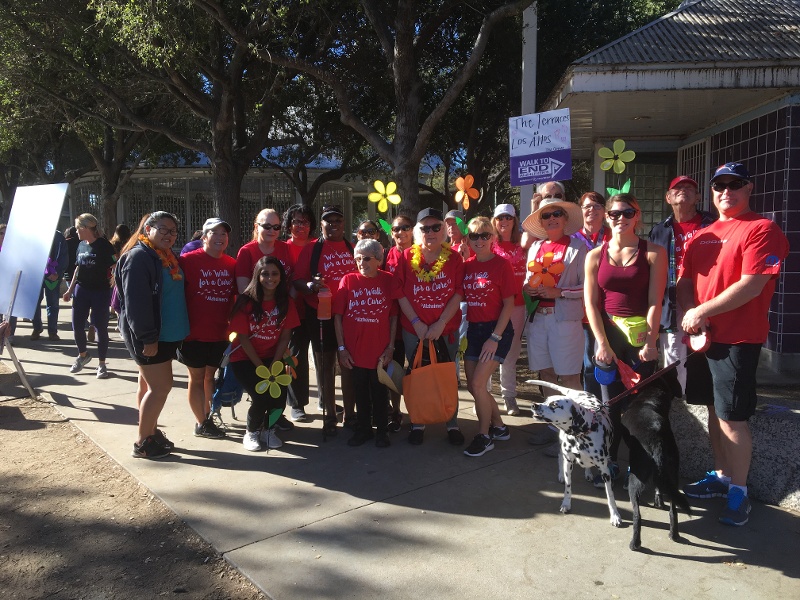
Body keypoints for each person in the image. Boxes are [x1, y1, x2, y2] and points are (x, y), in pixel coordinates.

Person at [678, 163, 789, 527]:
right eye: (719, 185)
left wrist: (702, 311)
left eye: (734, 184)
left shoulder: (762, 229)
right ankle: (721, 477)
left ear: (749, 187)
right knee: (712, 409)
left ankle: (739, 493)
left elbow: (753, 284)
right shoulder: (702, 234)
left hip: (737, 341)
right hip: (702, 339)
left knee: (732, 418)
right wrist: (690, 317)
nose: (726, 191)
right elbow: (683, 283)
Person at [585, 194, 667, 486]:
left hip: (640, 341)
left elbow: (656, 302)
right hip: (609, 341)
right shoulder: (595, 255)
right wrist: (601, 343)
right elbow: (592, 304)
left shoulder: (653, 252)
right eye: (614, 214)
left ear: (637, 215)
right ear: (606, 217)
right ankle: (609, 463)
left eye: (627, 213)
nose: (620, 219)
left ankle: (639, 468)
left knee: (639, 408)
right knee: (610, 407)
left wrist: (651, 342)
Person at [116, 211, 190, 459]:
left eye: (173, 231)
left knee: (147, 385)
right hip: (150, 337)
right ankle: (143, 442)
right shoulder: (138, 257)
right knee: (160, 387)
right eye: (163, 229)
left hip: (166, 334)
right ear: (148, 230)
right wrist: (148, 337)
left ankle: (150, 430)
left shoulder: (166, 256)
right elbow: (135, 302)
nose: (169, 234)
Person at [393, 208, 465, 447]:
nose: (431, 232)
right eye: (425, 228)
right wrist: (416, 323)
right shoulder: (406, 257)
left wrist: (441, 323)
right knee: (417, 375)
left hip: (446, 329)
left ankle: (451, 422)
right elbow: (400, 292)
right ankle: (418, 422)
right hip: (414, 330)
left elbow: (457, 293)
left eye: (436, 227)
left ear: (444, 230)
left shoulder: (454, 258)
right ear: (417, 231)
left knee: (448, 375)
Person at [292, 205, 357, 436]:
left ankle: (350, 414)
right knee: (325, 365)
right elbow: (297, 280)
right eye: (328, 221)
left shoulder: (352, 247)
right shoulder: (313, 249)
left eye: (338, 220)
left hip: (351, 315)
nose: (334, 225)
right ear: (321, 224)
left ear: (343, 223)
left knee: (349, 364)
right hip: (321, 314)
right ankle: (329, 415)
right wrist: (310, 286)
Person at [649, 176, 716, 394]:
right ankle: (680, 402)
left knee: (709, 353)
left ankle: (709, 401)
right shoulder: (659, 231)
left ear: (698, 197)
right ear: (668, 198)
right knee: (674, 356)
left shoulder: (714, 225)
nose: (683, 190)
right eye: (677, 188)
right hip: (671, 300)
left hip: (708, 299)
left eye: (690, 188)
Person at [229, 256, 300, 452]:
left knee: (278, 397)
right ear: (257, 276)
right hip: (245, 358)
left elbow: (285, 337)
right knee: (261, 396)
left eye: (275, 273)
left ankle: (268, 429)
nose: (270, 278)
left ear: (281, 277)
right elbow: (243, 339)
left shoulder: (287, 302)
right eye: (265, 274)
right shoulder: (245, 301)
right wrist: (260, 366)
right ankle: (251, 431)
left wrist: (274, 364)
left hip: (273, 357)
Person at [333, 239, 398, 448]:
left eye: (367, 259)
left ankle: (382, 431)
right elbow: (338, 317)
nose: (361, 263)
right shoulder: (348, 280)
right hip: (355, 350)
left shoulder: (388, 280)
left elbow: (393, 317)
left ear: (379, 260)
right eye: (358, 259)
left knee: (380, 393)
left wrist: (390, 347)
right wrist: (342, 348)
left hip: (379, 350)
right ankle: (364, 430)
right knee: (360, 391)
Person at [178, 218, 237, 440]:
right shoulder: (187, 261)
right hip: (193, 333)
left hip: (220, 332)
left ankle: (207, 417)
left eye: (224, 234)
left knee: (209, 377)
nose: (220, 238)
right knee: (196, 376)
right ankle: (201, 421)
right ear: (203, 237)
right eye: (214, 233)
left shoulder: (231, 264)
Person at [461, 217, 516, 457]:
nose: (480, 240)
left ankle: (484, 436)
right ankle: (500, 428)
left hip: (497, 330)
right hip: (474, 329)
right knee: (476, 388)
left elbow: (509, 304)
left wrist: (494, 337)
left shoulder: (502, 265)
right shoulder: (466, 266)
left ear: (493, 238)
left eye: (485, 235)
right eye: (475, 236)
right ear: (468, 239)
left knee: (477, 384)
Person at [522, 197, 587, 394]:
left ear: (565, 219)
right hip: (538, 318)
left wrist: (560, 292)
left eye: (557, 214)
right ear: (541, 222)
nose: (552, 218)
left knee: (569, 377)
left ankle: (577, 421)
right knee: (546, 375)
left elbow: (588, 287)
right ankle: (554, 420)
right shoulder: (535, 247)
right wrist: (527, 287)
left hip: (564, 321)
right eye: (546, 215)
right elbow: (527, 279)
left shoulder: (578, 247)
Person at [63, 214, 116, 379]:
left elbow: (115, 265)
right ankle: (83, 355)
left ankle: (101, 364)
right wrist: (70, 290)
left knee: (101, 327)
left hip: (100, 291)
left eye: (78, 228)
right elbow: (77, 269)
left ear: (86, 228)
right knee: (77, 326)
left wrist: (114, 285)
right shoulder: (80, 245)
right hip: (81, 290)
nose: (76, 231)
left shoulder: (104, 246)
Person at [574, 191, 612, 397]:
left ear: (604, 211)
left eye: (597, 206)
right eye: (587, 206)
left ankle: (613, 404)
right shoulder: (572, 239)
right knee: (588, 363)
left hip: (610, 309)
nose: (592, 210)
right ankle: (593, 406)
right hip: (581, 311)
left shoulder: (614, 235)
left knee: (610, 359)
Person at [490, 203, 526, 415]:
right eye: (499, 218)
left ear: (514, 221)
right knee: (487, 352)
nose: (503, 222)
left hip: (518, 306)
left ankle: (509, 397)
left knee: (511, 354)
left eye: (508, 218)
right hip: (493, 306)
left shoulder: (523, 243)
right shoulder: (489, 243)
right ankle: (484, 397)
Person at [282, 204, 316, 422]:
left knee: (324, 358)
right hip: (293, 312)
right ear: (288, 224)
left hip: (318, 309)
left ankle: (326, 400)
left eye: (304, 221)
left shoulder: (318, 246)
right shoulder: (282, 248)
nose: (300, 225)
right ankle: (297, 404)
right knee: (295, 358)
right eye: (296, 221)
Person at [383, 213, 415, 431]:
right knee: (393, 371)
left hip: (416, 324)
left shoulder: (423, 254)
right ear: (390, 232)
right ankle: (395, 412)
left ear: (412, 230)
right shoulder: (385, 255)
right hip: (392, 324)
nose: (400, 232)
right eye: (396, 228)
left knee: (415, 371)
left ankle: (418, 413)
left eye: (405, 227)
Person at [236, 208, 294, 294]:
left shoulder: (287, 248)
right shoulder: (246, 251)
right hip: (255, 303)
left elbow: (294, 279)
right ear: (256, 227)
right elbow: (243, 289)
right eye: (267, 226)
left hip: (283, 303)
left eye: (276, 227)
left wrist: (288, 302)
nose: (272, 231)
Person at [31, 230, 68, 341]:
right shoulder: (33, 234)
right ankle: (37, 328)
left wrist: (58, 272)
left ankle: (52, 331)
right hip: (35, 274)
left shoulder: (58, 236)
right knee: (34, 303)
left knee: (52, 303)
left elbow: (64, 256)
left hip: (52, 274)